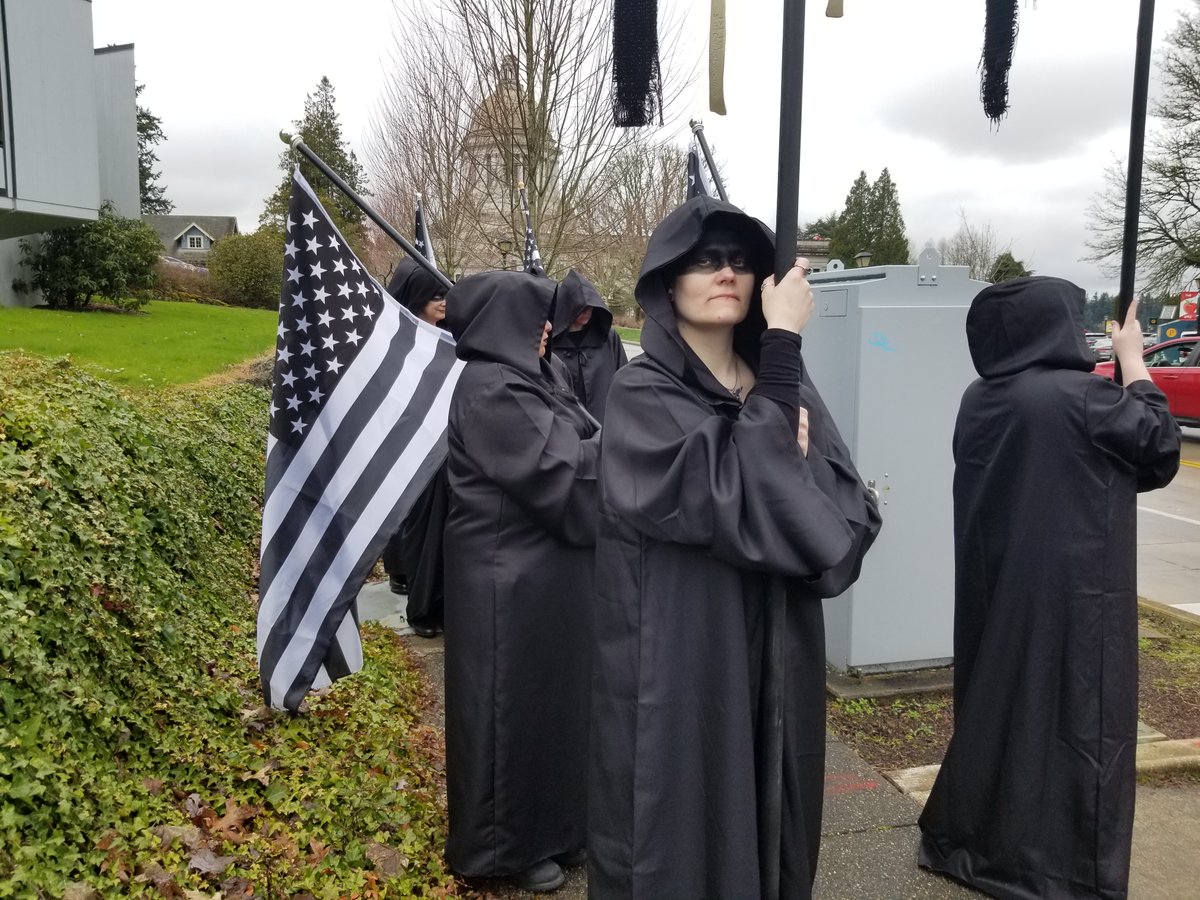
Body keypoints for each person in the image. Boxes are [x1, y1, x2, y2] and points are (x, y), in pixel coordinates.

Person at [588, 195, 882, 899]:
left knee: (775, 823)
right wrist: (779, 375)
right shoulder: (640, 394)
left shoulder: (786, 387)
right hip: (687, 656)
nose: (726, 274)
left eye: (741, 263)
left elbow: (845, 516)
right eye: (705, 261)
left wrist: (777, 440)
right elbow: (726, 500)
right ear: (669, 281)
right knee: (684, 828)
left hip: (779, 646)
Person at [918, 278, 1181, 899]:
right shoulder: (1081, 397)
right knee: (1075, 726)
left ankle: (972, 843)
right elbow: (1158, 451)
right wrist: (1135, 361)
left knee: (997, 713)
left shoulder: (979, 397)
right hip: (1074, 597)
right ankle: (1054, 868)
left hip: (997, 589)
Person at [441, 270, 600, 893]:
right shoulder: (493, 388)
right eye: (536, 315)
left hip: (543, 576)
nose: (547, 328)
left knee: (550, 709)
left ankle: (554, 828)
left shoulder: (529, 376)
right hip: (507, 584)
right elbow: (561, 474)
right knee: (506, 713)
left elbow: (583, 431)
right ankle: (500, 848)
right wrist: (630, 449)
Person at [378, 257, 449, 635]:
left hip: (440, 441)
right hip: (406, 435)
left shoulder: (451, 337)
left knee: (430, 518)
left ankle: (425, 584)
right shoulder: (399, 336)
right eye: (434, 295)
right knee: (405, 509)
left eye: (446, 294)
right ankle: (401, 570)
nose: (443, 302)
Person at [550, 269, 628, 422]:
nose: (586, 312)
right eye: (581, 308)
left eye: (590, 307)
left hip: (605, 423)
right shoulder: (551, 341)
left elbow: (624, 380)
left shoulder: (608, 338)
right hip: (565, 425)